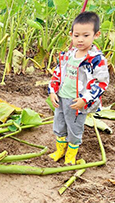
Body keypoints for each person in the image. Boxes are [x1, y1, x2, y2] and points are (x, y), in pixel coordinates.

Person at [48, 11, 109, 165]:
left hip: (78, 102)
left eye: (85, 35)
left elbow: (101, 83)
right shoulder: (68, 54)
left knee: (74, 128)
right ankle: (59, 151)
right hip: (62, 97)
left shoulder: (96, 59)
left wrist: (85, 99)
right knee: (59, 124)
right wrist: (53, 90)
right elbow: (58, 73)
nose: (80, 40)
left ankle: (70, 156)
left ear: (96, 35)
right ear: (71, 35)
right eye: (76, 36)